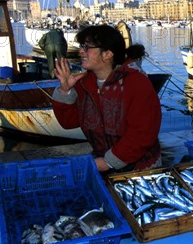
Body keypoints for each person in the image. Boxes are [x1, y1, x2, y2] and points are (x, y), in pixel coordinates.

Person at [51, 25, 162, 173]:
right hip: (104, 163)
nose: (81, 51)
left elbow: (142, 134)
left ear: (107, 54)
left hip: (140, 169)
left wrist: (108, 162)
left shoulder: (136, 83)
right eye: (81, 46)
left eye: (86, 47)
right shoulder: (85, 83)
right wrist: (65, 90)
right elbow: (69, 122)